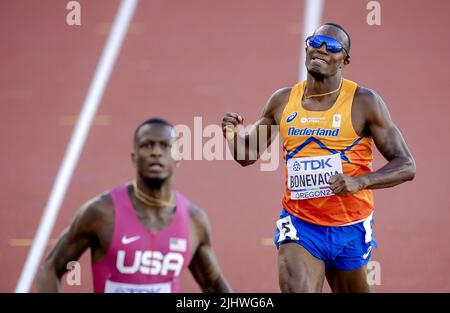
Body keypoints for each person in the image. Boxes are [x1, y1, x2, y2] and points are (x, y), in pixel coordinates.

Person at [221, 22, 416, 293]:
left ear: (344, 60)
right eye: (316, 42)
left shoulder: (364, 102)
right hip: (301, 225)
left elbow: (406, 165)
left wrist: (360, 182)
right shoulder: (282, 101)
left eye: (333, 47)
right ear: (306, 46)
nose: (322, 50)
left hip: (350, 226)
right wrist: (231, 135)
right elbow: (248, 154)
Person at [38, 118, 232, 293]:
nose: (156, 152)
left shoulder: (193, 221)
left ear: (177, 158)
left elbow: (213, 285)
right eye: (147, 145)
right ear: (134, 157)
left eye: (165, 146)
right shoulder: (101, 213)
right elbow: (51, 269)